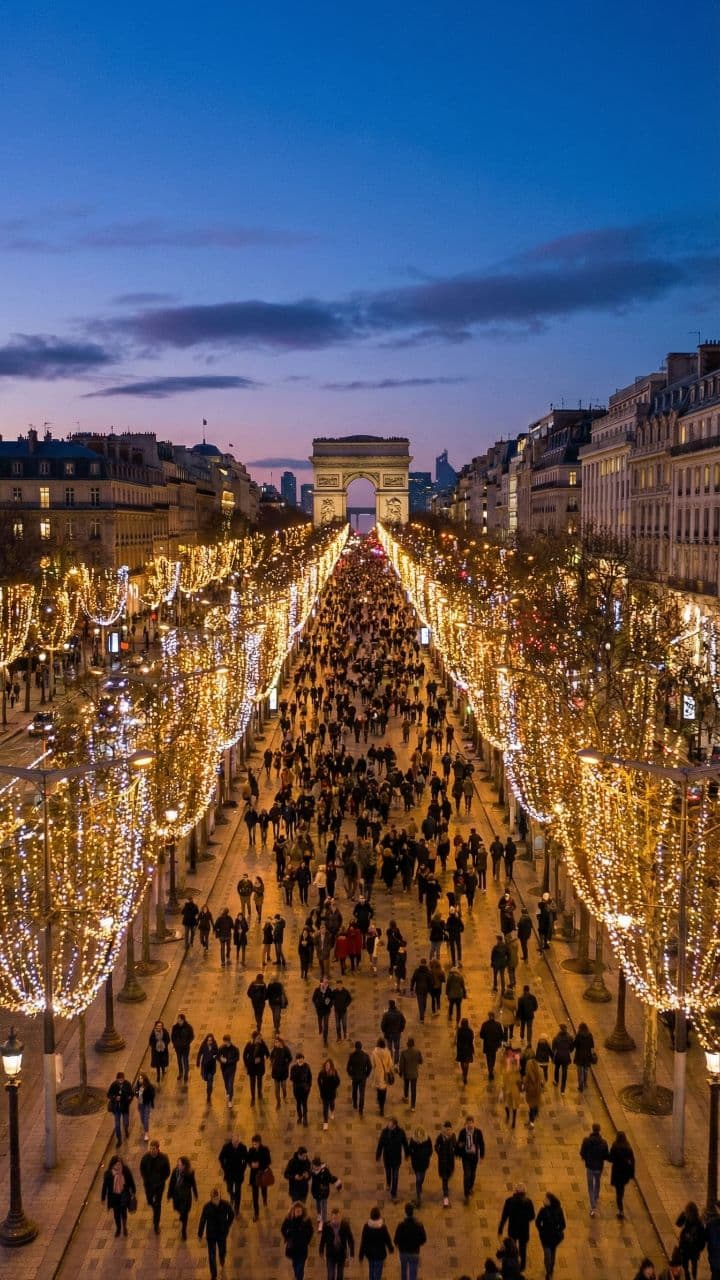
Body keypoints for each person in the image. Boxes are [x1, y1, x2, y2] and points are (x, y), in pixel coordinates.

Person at [198, 1187, 234, 1280]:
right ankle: (213, 1274)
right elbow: (202, 1220)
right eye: (214, 1199)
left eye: (217, 1198)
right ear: (211, 1198)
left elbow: (231, 1214)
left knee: (222, 1250)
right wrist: (200, 1234)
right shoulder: (207, 1207)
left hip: (222, 1233)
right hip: (211, 1235)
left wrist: (227, 1225)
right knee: (212, 1255)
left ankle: (222, 1258)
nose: (216, 1201)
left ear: (220, 1197)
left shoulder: (225, 1204)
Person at [498, 1183, 535, 1273]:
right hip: (524, 1230)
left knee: (511, 1247)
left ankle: (513, 1263)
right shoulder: (528, 1202)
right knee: (523, 1249)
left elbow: (504, 1216)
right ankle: (522, 1266)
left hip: (512, 1229)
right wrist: (525, 1219)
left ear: (515, 1191)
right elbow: (532, 1216)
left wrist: (500, 1228)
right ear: (524, 1192)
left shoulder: (509, 1201)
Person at [139, 1139, 170, 1234]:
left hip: (159, 1186)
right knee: (149, 1201)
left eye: (154, 1149)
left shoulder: (164, 1159)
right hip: (148, 1186)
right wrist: (146, 1179)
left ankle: (156, 1224)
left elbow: (167, 1172)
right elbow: (142, 1170)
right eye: (151, 1148)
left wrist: (161, 1180)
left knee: (158, 1205)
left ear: (157, 1149)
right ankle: (154, 1207)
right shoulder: (145, 1158)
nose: (152, 1151)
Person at [101, 1155, 135, 1237]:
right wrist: (103, 1197)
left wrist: (133, 1191)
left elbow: (131, 1181)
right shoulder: (108, 1174)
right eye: (116, 1164)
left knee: (123, 1212)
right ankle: (118, 1228)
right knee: (116, 1214)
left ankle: (124, 1226)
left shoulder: (125, 1171)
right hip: (114, 1197)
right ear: (113, 1164)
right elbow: (105, 1186)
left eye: (119, 1164)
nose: (118, 1165)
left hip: (123, 1195)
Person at [375, 1117, 409, 1202]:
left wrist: (407, 1154)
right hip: (387, 1158)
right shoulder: (385, 1132)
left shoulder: (401, 1133)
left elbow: (405, 1144)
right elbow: (380, 1144)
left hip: (396, 1159)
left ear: (395, 1125)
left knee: (395, 1176)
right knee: (388, 1172)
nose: (388, 1126)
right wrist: (378, 1155)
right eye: (388, 1125)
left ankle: (394, 1194)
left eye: (390, 1125)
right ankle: (388, 1183)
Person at [579, 1122, 609, 1216]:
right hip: (599, 1167)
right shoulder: (604, 1142)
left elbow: (582, 1152)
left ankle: (593, 1207)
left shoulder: (586, 1141)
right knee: (598, 1182)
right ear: (599, 1130)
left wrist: (585, 1158)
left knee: (590, 1186)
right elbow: (606, 1155)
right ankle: (595, 1197)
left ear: (592, 1129)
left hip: (590, 1167)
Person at [319, 1205, 355, 1280]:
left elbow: (350, 1240)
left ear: (340, 1217)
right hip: (330, 1254)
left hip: (341, 1254)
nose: (336, 1220)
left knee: (340, 1275)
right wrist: (321, 1251)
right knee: (331, 1275)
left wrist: (352, 1254)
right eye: (334, 1218)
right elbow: (323, 1240)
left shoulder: (345, 1226)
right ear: (331, 1218)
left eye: (338, 1218)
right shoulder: (327, 1226)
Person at [393, 1202, 427, 1280]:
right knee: (413, 1274)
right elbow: (424, 1239)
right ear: (413, 1211)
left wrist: (399, 1245)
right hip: (414, 1252)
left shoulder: (401, 1225)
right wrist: (418, 1243)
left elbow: (395, 1240)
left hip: (403, 1252)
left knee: (403, 1272)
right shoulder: (419, 1225)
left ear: (405, 1212)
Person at [535, 1191, 565, 1279]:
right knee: (547, 1255)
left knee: (552, 1254)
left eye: (546, 1199)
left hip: (555, 1237)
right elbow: (537, 1222)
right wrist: (541, 1231)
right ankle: (548, 1272)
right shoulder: (543, 1210)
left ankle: (551, 1270)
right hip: (545, 1237)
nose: (544, 1200)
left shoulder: (559, 1210)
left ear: (550, 1201)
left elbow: (563, 1224)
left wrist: (558, 1231)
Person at [358, 1206, 394, 1279]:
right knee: (378, 1274)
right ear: (379, 1215)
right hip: (380, 1254)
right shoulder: (383, 1227)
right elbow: (387, 1239)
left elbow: (363, 1241)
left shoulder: (366, 1226)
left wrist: (361, 1255)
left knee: (371, 1271)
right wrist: (391, 1249)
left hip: (370, 1254)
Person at [168, 1155, 198, 1240]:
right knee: (180, 1211)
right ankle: (182, 1216)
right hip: (177, 1196)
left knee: (185, 1214)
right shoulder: (175, 1171)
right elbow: (172, 1183)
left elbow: (193, 1184)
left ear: (184, 1165)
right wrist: (169, 1194)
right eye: (178, 1164)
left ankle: (184, 1231)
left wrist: (195, 1194)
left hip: (185, 1198)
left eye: (180, 1164)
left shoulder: (190, 1173)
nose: (178, 1165)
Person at [282, 1201, 314, 1280]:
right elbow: (283, 1229)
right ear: (293, 1211)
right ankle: (297, 1277)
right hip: (293, 1248)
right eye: (297, 1211)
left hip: (302, 1248)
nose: (298, 1213)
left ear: (302, 1211)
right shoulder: (289, 1219)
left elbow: (311, 1231)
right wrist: (287, 1238)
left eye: (300, 1211)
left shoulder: (306, 1220)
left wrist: (307, 1241)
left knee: (300, 1267)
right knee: (295, 1265)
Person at [608, 1130, 635, 1219]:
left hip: (617, 1172)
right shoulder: (628, 1148)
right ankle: (621, 1205)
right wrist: (632, 1174)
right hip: (625, 1173)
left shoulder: (615, 1146)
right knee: (621, 1189)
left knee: (618, 1191)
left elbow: (611, 1158)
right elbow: (633, 1162)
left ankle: (621, 1210)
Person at [676, 1201, 706, 1280]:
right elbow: (678, 1223)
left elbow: (702, 1238)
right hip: (686, 1248)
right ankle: (689, 1276)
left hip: (692, 1249)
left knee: (692, 1265)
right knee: (687, 1265)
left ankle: (691, 1277)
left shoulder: (698, 1223)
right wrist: (683, 1214)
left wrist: (699, 1247)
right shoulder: (687, 1218)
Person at [218, 1135, 248, 1215]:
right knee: (229, 1189)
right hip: (229, 1173)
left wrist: (243, 1169)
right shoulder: (226, 1147)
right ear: (231, 1141)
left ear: (239, 1141)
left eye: (237, 1142)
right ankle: (232, 1197)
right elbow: (220, 1157)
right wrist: (224, 1167)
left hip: (238, 1173)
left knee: (238, 1191)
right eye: (234, 1142)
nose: (235, 1144)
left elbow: (246, 1159)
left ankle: (237, 1208)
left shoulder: (243, 1147)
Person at [311, 1156, 342, 1228]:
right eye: (314, 1167)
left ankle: (323, 1221)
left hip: (323, 1192)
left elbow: (330, 1178)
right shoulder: (312, 1170)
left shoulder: (325, 1171)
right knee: (318, 1203)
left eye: (316, 1167)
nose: (315, 1168)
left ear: (319, 1166)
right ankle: (319, 1215)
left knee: (324, 1206)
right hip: (315, 1191)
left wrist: (337, 1182)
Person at [247, 1133, 272, 1222]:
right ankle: (256, 1214)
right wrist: (251, 1164)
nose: (254, 1145)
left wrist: (259, 1164)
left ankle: (264, 1199)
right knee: (255, 1196)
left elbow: (268, 1161)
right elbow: (248, 1160)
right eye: (253, 1144)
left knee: (264, 1189)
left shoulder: (265, 1150)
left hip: (262, 1175)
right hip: (254, 1176)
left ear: (260, 1142)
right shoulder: (251, 1150)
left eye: (256, 1144)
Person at [107, 1070, 134, 1146]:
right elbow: (109, 1094)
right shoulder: (114, 1085)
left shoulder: (127, 1084)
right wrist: (115, 1097)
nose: (121, 1081)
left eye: (122, 1079)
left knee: (126, 1122)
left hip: (125, 1107)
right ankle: (119, 1139)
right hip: (116, 1108)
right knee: (117, 1125)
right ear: (117, 1079)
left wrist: (129, 1100)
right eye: (119, 1079)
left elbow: (131, 1094)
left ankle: (126, 1130)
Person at [434, 1120, 456, 1208]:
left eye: (449, 1129)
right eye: (446, 1129)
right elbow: (436, 1146)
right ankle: (446, 1200)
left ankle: (445, 1190)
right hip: (443, 1163)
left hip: (450, 1162)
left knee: (448, 1177)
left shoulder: (453, 1136)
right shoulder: (440, 1137)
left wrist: (455, 1150)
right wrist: (439, 1153)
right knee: (445, 1180)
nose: (448, 1131)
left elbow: (455, 1145)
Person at [347, 1039, 372, 1116]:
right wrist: (367, 1075)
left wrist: (351, 1074)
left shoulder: (352, 1055)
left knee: (354, 1091)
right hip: (362, 1077)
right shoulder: (365, 1056)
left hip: (355, 1077)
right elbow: (370, 1067)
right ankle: (361, 1109)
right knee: (362, 1094)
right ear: (361, 1047)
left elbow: (348, 1067)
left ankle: (355, 1104)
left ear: (355, 1047)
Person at [371, 1037, 394, 1116]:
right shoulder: (387, 1052)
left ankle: (380, 1104)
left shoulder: (374, 1053)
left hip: (378, 1074)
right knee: (384, 1091)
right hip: (385, 1074)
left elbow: (373, 1064)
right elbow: (390, 1064)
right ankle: (382, 1107)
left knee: (378, 1090)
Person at [500, 1045, 522, 1129]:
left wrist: (517, 1060)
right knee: (506, 1104)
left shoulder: (516, 1060)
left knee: (514, 1105)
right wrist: (508, 1063)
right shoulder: (504, 1060)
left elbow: (518, 1070)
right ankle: (508, 1115)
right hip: (506, 1085)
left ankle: (513, 1121)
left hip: (514, 1086)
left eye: (511, 1052)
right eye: (508, 1052)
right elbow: (504, 1072)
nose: (510, 1054)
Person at [398, 1037, 422, 1110]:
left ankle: (406, 1097)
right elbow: (421, 1061)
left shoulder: (404, 1052)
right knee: (413, 1089)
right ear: (413, 1044)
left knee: (406, 1085)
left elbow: (401, 1064)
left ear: (407, 1044)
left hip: (406, 1073)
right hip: (414, 1074)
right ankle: (413, 1106)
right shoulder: (418, 1052)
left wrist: (400, 1072)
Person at [380, 999, 406, 1065]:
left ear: (389, 1005)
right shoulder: (399, 1013)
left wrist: (384, 1031)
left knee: (389, 1048)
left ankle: (390, 1061)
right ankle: (396, 1063)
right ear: (394, 1005)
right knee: (397, 1049)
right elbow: (404, 1022)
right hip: (397, 1034)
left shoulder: (386, 1014)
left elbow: (382, 1025)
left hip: (388, 1035)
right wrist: (401, 1030)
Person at [290, 1051, 313, 1126]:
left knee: (304, 1103)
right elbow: (292, 1078)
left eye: (301, 1058)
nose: (300, 1060)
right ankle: (300, 1116)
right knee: (298, 1103)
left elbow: (310, 1077)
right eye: (298, 1058)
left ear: (303, 1059)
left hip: (305, 1090)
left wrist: (309, 1087)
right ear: (296, 1060)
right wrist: (298, 1069)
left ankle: (305, 1118)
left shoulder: (307, 1066)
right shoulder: (293, 1068)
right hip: (297, 1089)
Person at [318, 1057, 341, 1129]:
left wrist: (334, 1087)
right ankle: (325, 1122)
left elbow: (338, 1082)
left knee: (332, 1104)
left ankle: (332, 1111)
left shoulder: (334, 1072)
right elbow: (318, 1080)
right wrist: (321, 1088)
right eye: (326, 1065)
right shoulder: (322, 1072)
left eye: (329, 1065)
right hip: (324, 1094)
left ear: (331, 1066)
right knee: (325, 1108)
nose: (327, 1067)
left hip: (331, 1094)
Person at [218, 1033, 240, 1106]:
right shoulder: (221, 1048)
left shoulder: (235, 1049)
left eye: (226, 1042)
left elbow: (237, 1058)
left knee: (230, 1084)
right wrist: (221, 1059)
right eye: (224, 1041)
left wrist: (227, 1061)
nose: (225, 1043)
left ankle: (230, 1100)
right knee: (226, 1083)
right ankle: (228, 1092)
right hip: (224, 1069)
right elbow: (217, 1056)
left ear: (229, 1041)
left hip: (231, 1069)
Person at [271, 1035, 293, 1108]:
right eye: (275, 1042)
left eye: (277, 1042)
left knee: (283, 1087)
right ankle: (278, 1102)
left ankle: (284, 1096)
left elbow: (290, 1058)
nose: (276, 1043)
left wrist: (286, 1064)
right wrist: (272, 1062)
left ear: (280, 1042)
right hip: (276, 1072)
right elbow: (271, 1057)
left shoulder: (285, 1049)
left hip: (283, 1072)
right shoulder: (274, 1049)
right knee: (276, 1089)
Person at [551, 1024, 574, 1093]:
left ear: (560, 1030)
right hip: (566, 1056)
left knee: (557, 1068)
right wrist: (569, 1050)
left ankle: (556, 1081)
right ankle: (562, 1089)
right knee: (564, 1072)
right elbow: (572, 1048)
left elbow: (553, 1049)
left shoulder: (556, 1038)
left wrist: (552, 1057)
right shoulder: (570, 1038)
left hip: (558, 1056)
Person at [573, 1020, 595, 1092]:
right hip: (587, 1055)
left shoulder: (578, 1035)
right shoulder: (590, 1035)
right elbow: (592, 1045)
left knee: (579, 1071)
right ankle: (585, 1082)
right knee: (586, 1069)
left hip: (579, 1055)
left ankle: (580, 1085)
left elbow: (575, 1045)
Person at [523, 1052, 543, 1130]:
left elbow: (526, 1080)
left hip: (531, 1091)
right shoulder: (539, 1069)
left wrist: (524, 1086)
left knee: (531, 1107)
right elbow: (542, 1081)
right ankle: (531, 1120)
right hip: (537, 1091)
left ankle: (532, 1123)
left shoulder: (528, 1067)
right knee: (533, 1106)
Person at [196, 1033, 219, 1103]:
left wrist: (216, 1056)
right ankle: (208, 1091)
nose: (209, 1042)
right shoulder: (203, 1045)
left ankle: (208, 1095)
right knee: (206, 1079)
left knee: (210, 1083)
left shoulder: (214, 1046)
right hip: (205, 1066)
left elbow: (217, 1053)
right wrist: (198, 1062)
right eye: (208, 1040)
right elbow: (199, 1053)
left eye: (211, 1040)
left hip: (211, 1067)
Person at [313, 978, 335, 1046]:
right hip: (319, 1010)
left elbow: (332, 999)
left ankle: (325, 1040)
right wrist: (316, 1005)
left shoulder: (329, 990)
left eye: (327, 983)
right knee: (320, 1021)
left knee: (326, 1025)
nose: (325, 984)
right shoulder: (317, 990)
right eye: (324, 983)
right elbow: (313, 999)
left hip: (326, 1010)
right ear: (321, 983)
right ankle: (320, 1027)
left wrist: (329, 1004)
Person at [134, 1072, 155, 1141]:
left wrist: (145, 1093)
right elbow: (135, 1092)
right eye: (139, 1078)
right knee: (142, 1119)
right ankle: (145, 1128)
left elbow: (152, 1094)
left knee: (146, 1119)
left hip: (146, 1104)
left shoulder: (149, 1086)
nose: (140, 1080)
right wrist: (137, 1093)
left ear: (144, 1079)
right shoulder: (137, 1086)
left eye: (141, 1078)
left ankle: (146, 1133)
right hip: (140, 1104)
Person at [705, 1199, 720, 1280]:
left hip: (715, 1261)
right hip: (715, 1261)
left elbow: (706, 1238)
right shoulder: (711, 1224)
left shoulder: (712, 1224)